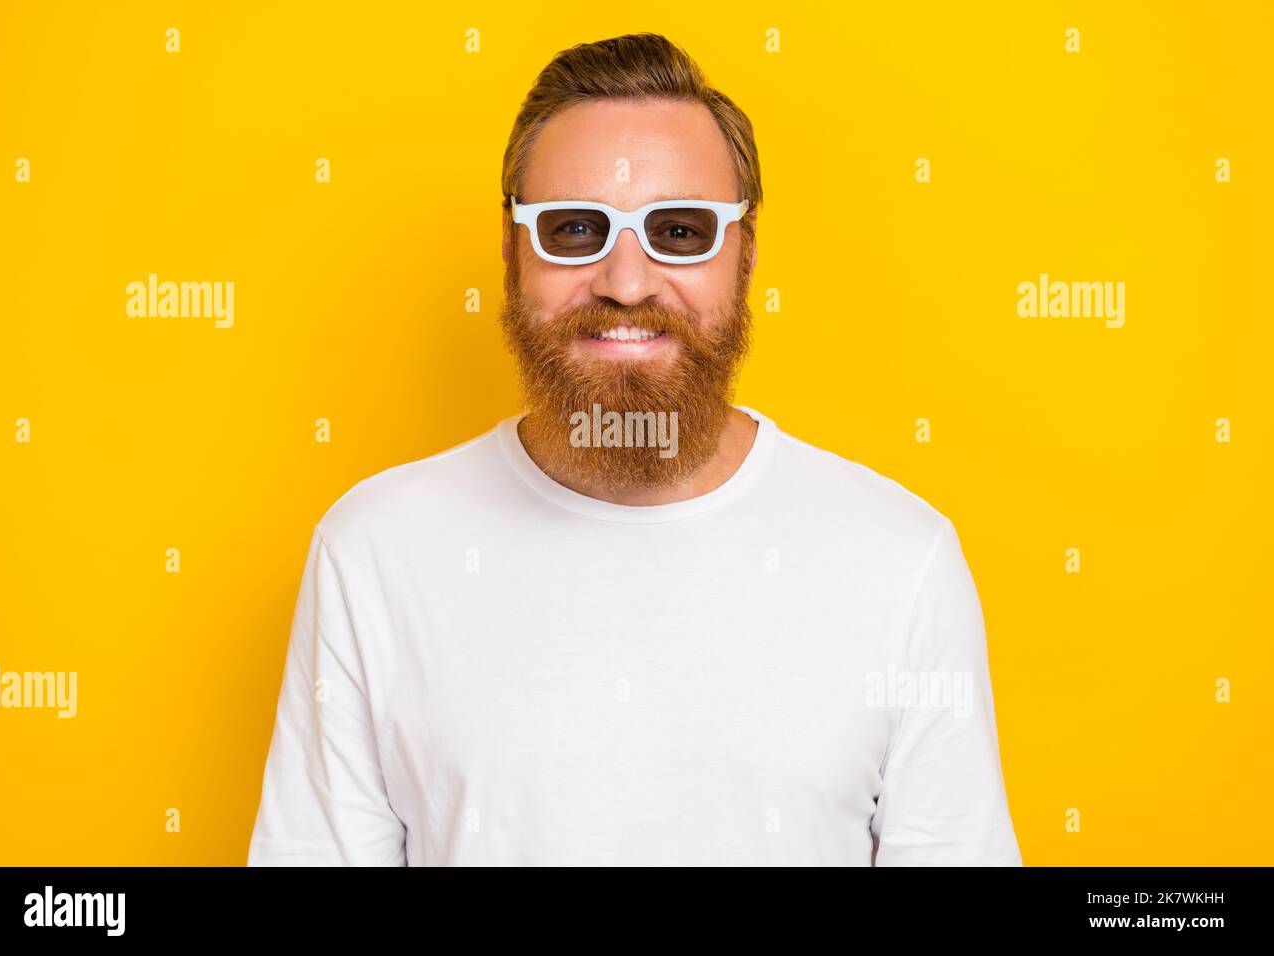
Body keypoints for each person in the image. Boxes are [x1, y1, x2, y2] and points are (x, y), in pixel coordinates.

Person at [247, 32, 1022, 866]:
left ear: (745, 255)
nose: (625, 281)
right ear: (511, 253)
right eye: (574, 229)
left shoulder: (901, 563)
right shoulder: (373, 552)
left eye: (680, 230)